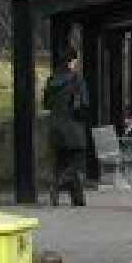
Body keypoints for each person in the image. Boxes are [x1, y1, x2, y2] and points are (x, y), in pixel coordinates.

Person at [41, 55, 89, 207]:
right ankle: (57, 183)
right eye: (75, 60)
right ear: (71, 61)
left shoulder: (51, 80)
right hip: (73, 128)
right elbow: (84, 104)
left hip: (56, 128)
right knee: (77, 164)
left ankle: (77, 200)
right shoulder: (76, 79)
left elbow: (46, 104)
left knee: (62, 163)